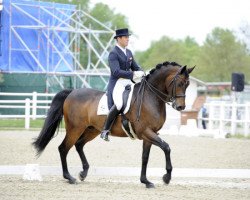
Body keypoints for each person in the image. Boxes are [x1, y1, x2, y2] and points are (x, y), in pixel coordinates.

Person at [100, 28, 144, 141]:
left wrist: (142, 72)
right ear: (118, 39)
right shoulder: (113, 53)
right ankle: (105, 130)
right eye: (125, 37)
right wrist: (133, 74)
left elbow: (135, 66)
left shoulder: (128, 52)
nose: (128, 39)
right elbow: (116, 72)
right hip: (117, 83)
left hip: (128, 82)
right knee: (119, 104)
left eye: (128, 37)